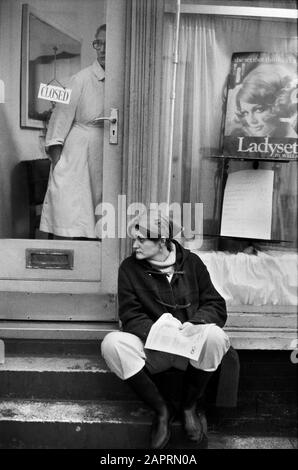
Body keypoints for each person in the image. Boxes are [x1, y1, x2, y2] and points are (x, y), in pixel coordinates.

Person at [101, 209, 231, 449]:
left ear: (161, 242)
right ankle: (161, 410)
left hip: (188, 350)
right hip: (154, 348)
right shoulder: (129, 268)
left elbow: (215, 304)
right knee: (112, 344)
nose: (135, 244)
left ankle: (189, 406)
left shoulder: (191, 263)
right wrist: (158, 334)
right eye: (134, 238)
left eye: (142, 239)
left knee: (216, 337)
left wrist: (195, 323)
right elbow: (130, 315)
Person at [40, 25, 106, 239]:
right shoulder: (79, 79)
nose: (103, 49)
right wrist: (59, 163)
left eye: (108, 43)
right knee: (74, 214)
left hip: (106, 151)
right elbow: (58, 123)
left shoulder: (119, 80)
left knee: (99, 215)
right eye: (99, 43)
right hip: (77, 154)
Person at [232, 64, 297, 138]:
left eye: (259, 109)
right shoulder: (238, 137)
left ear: (279, 106)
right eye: (245, 112)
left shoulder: (292, 138)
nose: (251, 121)